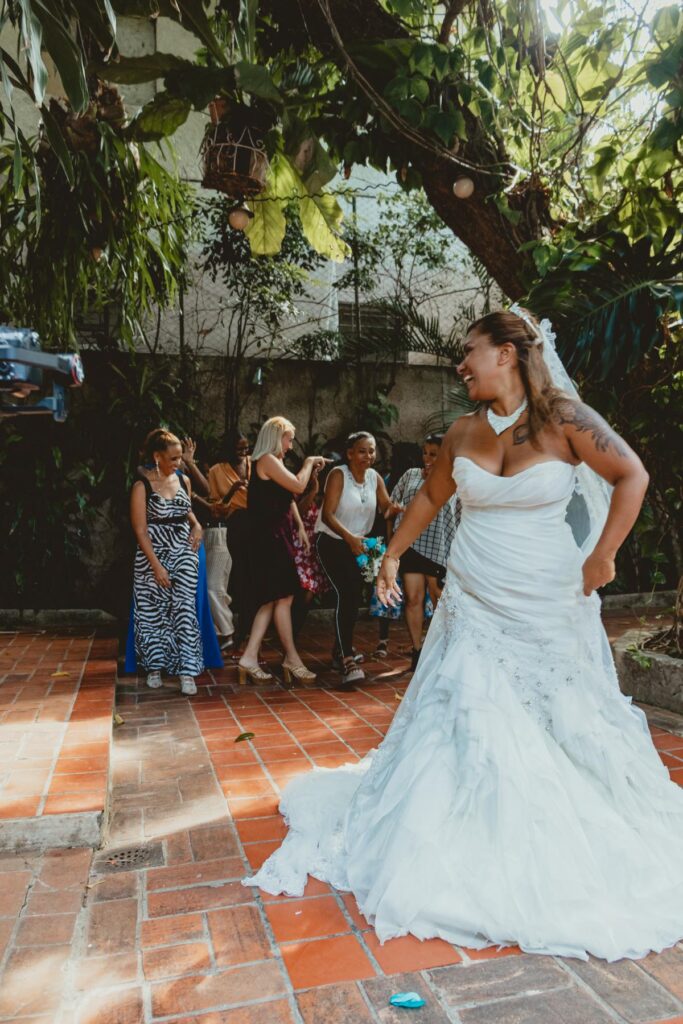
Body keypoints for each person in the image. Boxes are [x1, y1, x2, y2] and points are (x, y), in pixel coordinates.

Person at [243, 306, 683, 962]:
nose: (460, 364)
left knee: (561, 716)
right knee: (469, 712)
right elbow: (428, 500)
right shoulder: (459, 432)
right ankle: (459, 835)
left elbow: (632, 475)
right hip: (473, 599)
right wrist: (391, 554)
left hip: (545, 599)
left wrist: (604, 554)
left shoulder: (565, 420)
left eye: (469, 351)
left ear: (506, 353)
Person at [238, 416, 327, 686]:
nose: (290, 445)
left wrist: (299, 526)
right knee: (284, 597)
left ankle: (250, 658)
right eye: (288, 438)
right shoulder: (266, 460)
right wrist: (309, 462)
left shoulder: (271, 463)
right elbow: (298, 486)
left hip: (276, 538)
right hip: (270, 540)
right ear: (276, 436)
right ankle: (291, 658)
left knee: (273, 599)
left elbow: (287, 497)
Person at [315, 432, 402, 689]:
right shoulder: (338, 475)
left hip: (362, 544)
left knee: (355, 595)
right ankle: (346, 659)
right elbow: (327, 515)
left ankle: (338, 649)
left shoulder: (375, 478)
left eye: (372, 451)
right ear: (350, 453)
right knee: (348, 594)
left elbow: (385, 508)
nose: (369, 456)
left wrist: (396, 509)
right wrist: (350, 538)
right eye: (362, 451)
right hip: (333, 541)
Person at [130, 429, 204, 695]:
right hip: (153, 554)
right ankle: (154, 667)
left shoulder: (183, 480)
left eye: (180, 458)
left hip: (183, 551)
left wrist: (197, 526)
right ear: (157, 456)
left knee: (185, 609)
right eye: (173, 458)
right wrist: (156, 566)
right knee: (153, 612)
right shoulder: (142, 485)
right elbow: (139, 530)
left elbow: (187, 511)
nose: (178, 463)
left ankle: (187, 671)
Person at [389, 433, 457, 669]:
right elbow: (391, 504)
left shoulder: (454, 479)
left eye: (433, 454)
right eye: (425, 453)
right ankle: (417, 651)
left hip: (440, 547)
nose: (427, 458)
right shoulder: (410, 475)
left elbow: (459, 516)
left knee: (440, 598)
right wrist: (394, 510)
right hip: (412, 545)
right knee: (413, 598)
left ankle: (443, 649)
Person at [182, 437, 235, 651]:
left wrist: (191, 463)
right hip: (201, 534)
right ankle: (215, 632)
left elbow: (209, 493)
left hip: (219, 532)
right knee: (205, 587)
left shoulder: (215, 472)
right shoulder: (178, 476)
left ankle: (226, 632)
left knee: (215, 586)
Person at [208, 430, 251, 641]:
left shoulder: (256, 463)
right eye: (239, 448)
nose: (243, 452)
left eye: (246, 447)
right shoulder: (217, 470)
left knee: (254, 578)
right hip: (233, 526)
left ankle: (250, 627)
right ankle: (236, 630)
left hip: (257, 524)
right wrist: (233, 491)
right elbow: (216, 508)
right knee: (238, 577)